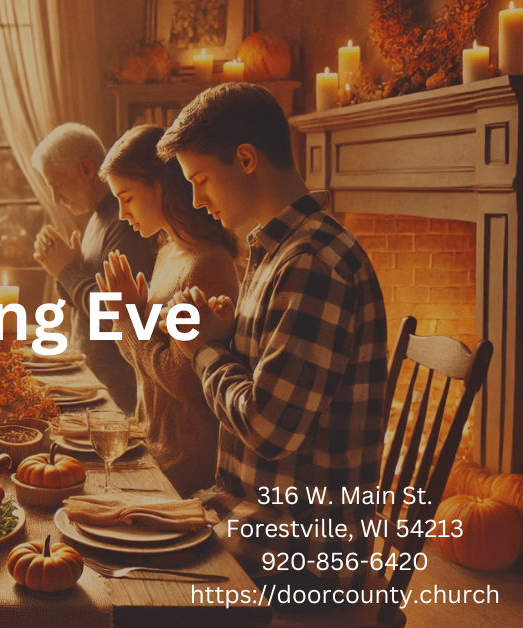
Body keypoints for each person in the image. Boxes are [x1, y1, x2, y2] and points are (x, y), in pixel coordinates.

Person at [157, 83, 388, 601]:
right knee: (107, 526)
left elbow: (268, 428)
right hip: (248, 520)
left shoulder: (312, 263)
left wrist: (203, 350)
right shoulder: (274, 250)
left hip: (298, 557)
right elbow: (269, 390)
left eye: (200, 180)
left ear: (245, 159)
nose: (196, 200)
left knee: (122, 587)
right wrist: (222, 338)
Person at [95, 125, 240, 497]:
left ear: (158, 185)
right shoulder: (168, 252)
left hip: (182, 467)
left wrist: (130, 317)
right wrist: (127, 314)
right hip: (148, 443)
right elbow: (139, 359)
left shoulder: (207, 263)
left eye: (126, 198)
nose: (123, 213)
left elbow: (185, 382)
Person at [31, 123, 157, 410]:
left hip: (117, 398)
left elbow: (115, 319)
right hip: (94, 386)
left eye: (58, 184)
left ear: (87, 169)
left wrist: (67, 271)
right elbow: (86, 302)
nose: (56, 199)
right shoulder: (99, 217)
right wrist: (65, 268)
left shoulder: (125, 221)